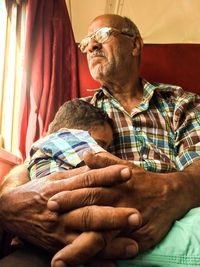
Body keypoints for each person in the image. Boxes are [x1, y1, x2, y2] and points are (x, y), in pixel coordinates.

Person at [0, 13, 200, 267]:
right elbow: (36, 157)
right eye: (86, 42)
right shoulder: (79, 110)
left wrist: (165, 192)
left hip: (171, 225)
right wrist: (7, 201)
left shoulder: (180, 102)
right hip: (74, 228)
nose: (91, 46)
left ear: (135, 45)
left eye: (102, 36)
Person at [27, 99, 114, 179]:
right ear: (75, 133)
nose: (105, 152)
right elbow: (111, 167)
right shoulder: (61, 139)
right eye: (99, 144)